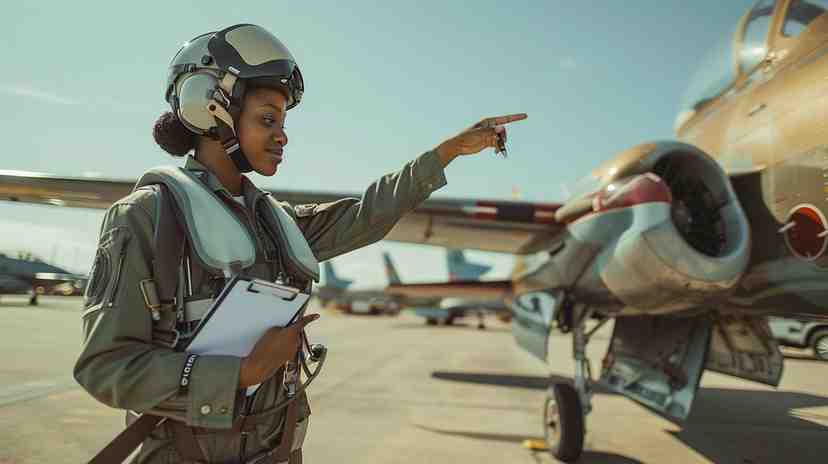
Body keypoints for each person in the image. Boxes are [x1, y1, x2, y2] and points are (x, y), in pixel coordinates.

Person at [74, 23, 527, 463]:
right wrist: (240, 373)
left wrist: (447, 151)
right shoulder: (145, 218)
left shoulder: (276, 222)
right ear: (205, 110)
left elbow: (368, 214)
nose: (282, 134)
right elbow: (106, 367)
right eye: (267, 119)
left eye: (283, 121)